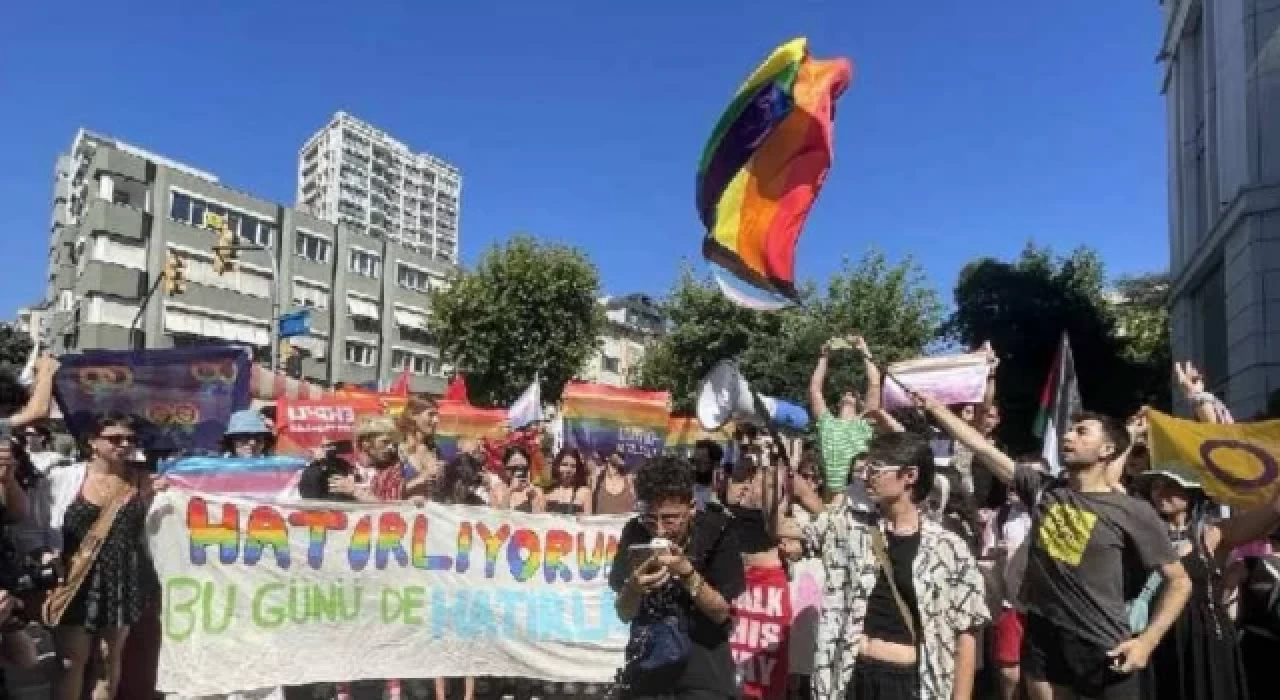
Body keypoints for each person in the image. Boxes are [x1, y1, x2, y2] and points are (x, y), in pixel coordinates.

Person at [919, 395, 1191, 700]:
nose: (1068, 435)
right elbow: (982, 448)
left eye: (1081, 431)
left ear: (1107, 450)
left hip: (1102, 644)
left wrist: (1148, 641)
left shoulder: (1133, 511)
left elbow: (1179, 582)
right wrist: (938, 410)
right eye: (1069, 430)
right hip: (1043, 636)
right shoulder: (1044, 491)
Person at [794, 430, 989, 700]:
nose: (865, 476)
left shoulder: (949, 548)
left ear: (909, 476)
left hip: (907, 683)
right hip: (851, 675)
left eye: (875, 469)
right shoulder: (852, 530)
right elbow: (790, 537)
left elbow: (966, 633)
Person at [610, 456, 745, 700]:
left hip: (703, 667)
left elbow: (721, 612)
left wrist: (687, 573)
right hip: (648, 665)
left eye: (670, 518)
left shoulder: (718, 532)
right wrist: (633, 587)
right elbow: (623, 612)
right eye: (651, 519)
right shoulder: (634, 531)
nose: (659, 530)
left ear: (691, 507)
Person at [53, 413, 161, 700]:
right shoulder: (64, 479)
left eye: (130, 439)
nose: (123, 445)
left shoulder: (145, 481)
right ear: (93, 442)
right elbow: (41, 527)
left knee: (107, 661)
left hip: (122, 579)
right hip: (75, 581)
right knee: (69, 663)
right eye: (115, 438)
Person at [808, 335, 880, 500]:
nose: (848, 394)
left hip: (857, 498)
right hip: (830, 498)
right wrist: (824, 357)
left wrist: (864, 350)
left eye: (852, 394)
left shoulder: (865, 423)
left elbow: (874, 384)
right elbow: (815, 390)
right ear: (838, 404)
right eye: (844, 394)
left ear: (859, 403)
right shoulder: (827, 422)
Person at [545, 448, 591, 515]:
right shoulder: (548, 490)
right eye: (564, 464)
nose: (569, 470)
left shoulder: (584, 492)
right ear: (557, 466)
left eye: (573, 466)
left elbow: (588, 521)